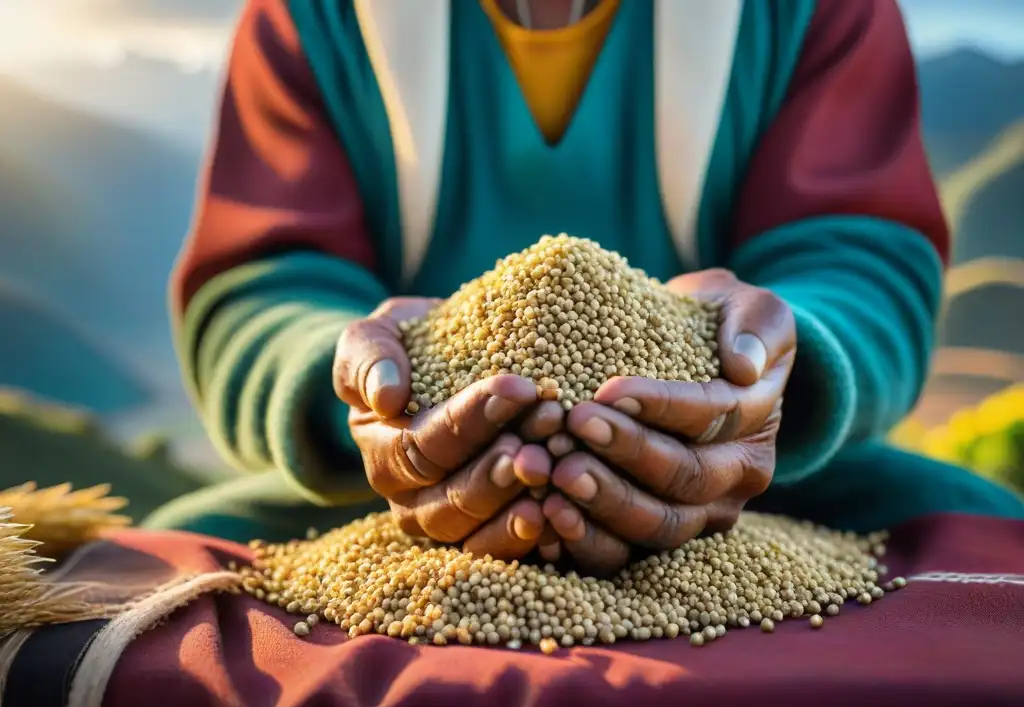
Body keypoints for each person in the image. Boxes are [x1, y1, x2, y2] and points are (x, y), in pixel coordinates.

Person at [145, 0, 1023, 572]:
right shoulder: (311, 18)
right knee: (144, 579)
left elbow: (864, 259)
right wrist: (347, 383)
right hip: (391, 489)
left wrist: (776, 367)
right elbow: (261, 284)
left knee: (992, 554)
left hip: (762, 476)